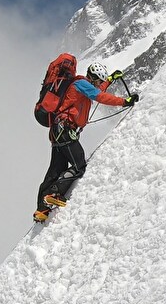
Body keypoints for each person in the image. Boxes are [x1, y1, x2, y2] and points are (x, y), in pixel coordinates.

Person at [34, 61, 139, 222]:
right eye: (98, 81)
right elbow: (100, 95)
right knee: (78, 165)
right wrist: (124, 102)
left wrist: (110, 79)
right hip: (66, 131)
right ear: (94, 78)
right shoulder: (82, 84)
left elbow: (97, 90)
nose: (98, 84)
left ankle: (41, 210)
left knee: (56, 170)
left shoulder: (82, 85)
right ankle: (52, 194)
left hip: (58, 131)